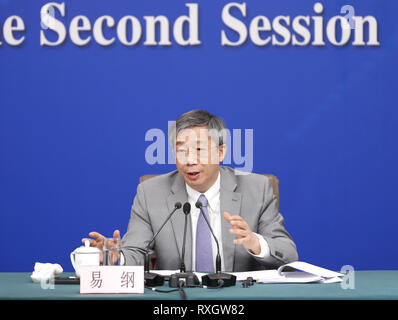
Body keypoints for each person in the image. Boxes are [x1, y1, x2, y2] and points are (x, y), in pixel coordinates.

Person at [83, 109, 298, 272]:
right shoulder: (150, 193)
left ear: (220, 152)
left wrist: (256, 243)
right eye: (181, 151)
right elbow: (137, 252)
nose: (189, 160)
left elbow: (288, 254)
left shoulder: (257, 188)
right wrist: (114, 256)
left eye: (199, 150)